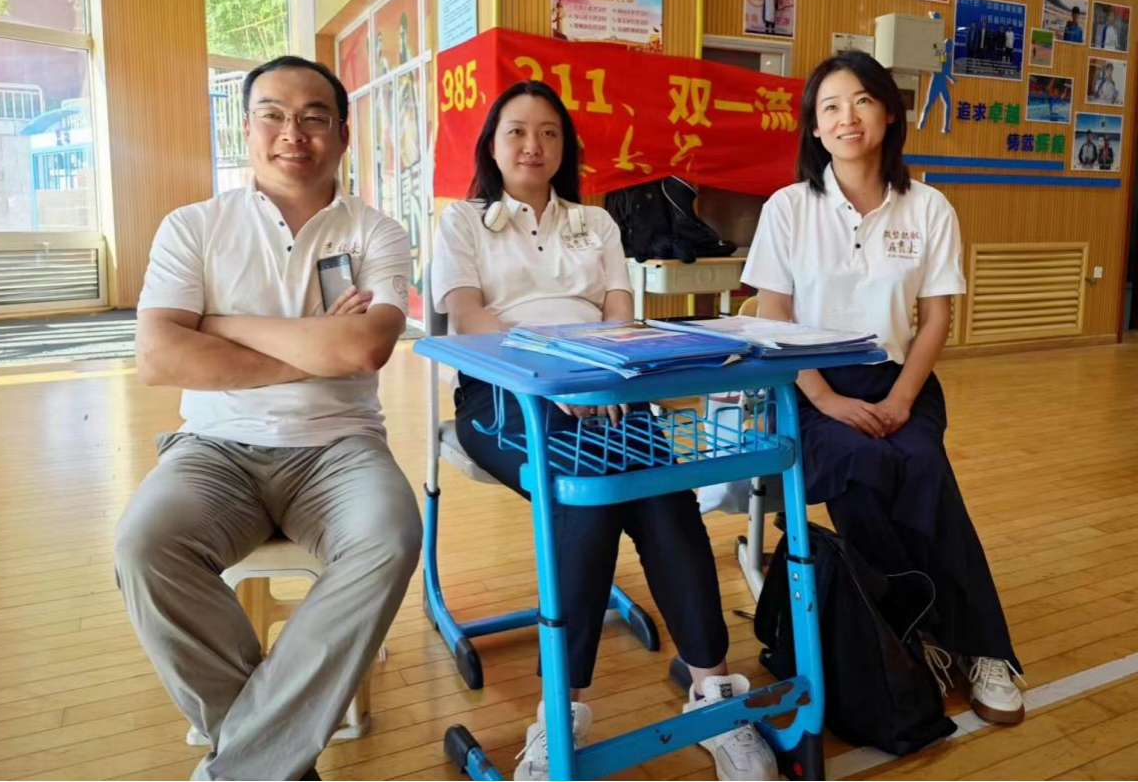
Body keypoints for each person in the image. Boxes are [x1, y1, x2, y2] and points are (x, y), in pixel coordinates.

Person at [431, 80, 778, 782]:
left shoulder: (597, 222)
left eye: (549, 133)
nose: (533, 145)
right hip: (505, 393)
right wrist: (555, 379)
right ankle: (560, 715)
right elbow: (467, 316)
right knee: (588, 492)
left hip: (607, 388)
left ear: (566, 147)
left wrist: (600, 377)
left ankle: (713, 694)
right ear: (492, 145)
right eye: (517, 131)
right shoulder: (462, 222)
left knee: (666, 491)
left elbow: (621, 314)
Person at [115, 56, 422, 782]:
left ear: (342, 133)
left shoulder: (378, 232)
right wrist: (317, 348)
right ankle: (268, 758)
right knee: (145, 545)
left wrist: (218, 324)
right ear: (246, 128)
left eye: (315, 116)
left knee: (389, 537)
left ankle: (241, 764)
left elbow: (363, 348)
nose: (294, 132)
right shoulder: (194, 227)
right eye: (274, 115)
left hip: (340, 447)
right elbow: (159, 356)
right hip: (214, 447)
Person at [741, 51, 1026, 727]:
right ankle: (920, 631)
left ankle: (978, 648)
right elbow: (771, 317)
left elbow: (937, 319)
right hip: (806, 386)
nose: (848, 117)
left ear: (889, 113)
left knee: (923, 465)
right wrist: (825, 400)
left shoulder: (928, 207)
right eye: (831, 107)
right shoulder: (788, 208)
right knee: (859, 464)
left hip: (900, 380)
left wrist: (900, 399)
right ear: (814, 127)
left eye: (863, 101)